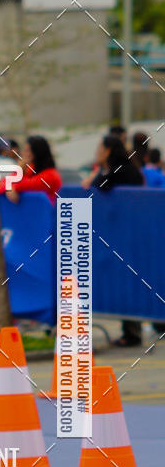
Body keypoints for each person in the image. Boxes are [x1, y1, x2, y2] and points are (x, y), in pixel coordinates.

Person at [90, 134, 144, 346]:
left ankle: (133, 332)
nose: (97, 151)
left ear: (108, 150)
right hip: (121, 235)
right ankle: (130, 330)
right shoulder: (119, 169)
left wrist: (95, 176)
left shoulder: (123, 170)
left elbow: (101, 184)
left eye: (100, 148)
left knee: (129, 281)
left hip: (129, 236)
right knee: (122, 281)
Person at [0, 135, 61, 205]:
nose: (22, 153)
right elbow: (0, 183)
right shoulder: (31, 169)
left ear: (37, 153)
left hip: (44, 213)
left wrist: (19, 169)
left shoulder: (51, 175)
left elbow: (24, 184)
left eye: (27, 150)